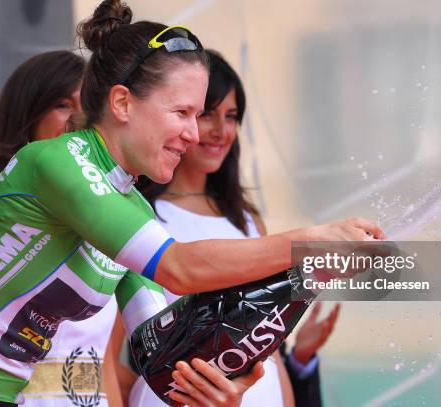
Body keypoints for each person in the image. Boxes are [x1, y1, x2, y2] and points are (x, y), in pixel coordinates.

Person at [0, 0, 383, 405]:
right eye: (182, 112)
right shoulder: (62, 161)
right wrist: (310, 241)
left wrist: (219, 387)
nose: (193, 132)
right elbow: (179, 269)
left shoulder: (130, 207)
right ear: (123, 103)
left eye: (198, 114)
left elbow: (163, 348)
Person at [133, 49, 340, 407]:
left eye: (232, 116)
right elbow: (122, 353)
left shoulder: (246, 219)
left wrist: (299, 356)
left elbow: (270, 350)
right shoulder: (143, 216)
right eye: (207, 114)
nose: (220, 130)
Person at [0, 50, 130, 407]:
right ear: (28, 116)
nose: (77, 118)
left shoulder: (117, 217)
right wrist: (290, 247)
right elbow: (180, 266)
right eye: (63, 104)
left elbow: (104, 358)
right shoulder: (1, 210)